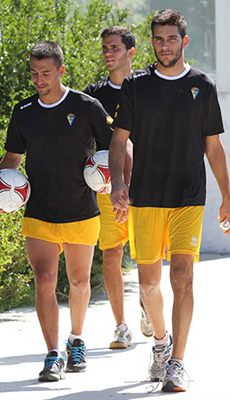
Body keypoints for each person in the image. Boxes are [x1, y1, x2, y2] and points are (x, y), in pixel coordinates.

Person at [109, 9, 230, 392]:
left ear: (184, 41)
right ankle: (161, 343)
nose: (165, 46)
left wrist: (227, 198)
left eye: (171, 39)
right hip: (145, 197)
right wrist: (118, 184)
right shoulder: (136, 85)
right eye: (158, 39)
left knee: (182, 276)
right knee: (149, 286)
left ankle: (177, 361)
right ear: (152, 43)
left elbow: (214, 147)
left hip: (188, 196)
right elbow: (118, 141)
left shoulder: (203, 86)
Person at [0, 41, 113, 381]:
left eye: (45, 73)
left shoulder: (86, 107)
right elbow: (12, 159)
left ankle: (77, 339)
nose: (39, 80)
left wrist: (118, 185)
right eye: (34, 73)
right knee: (44, 280)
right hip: (39, 210)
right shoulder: (24, 111)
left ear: (60, 70)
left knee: (79, 281)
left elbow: (114, 145)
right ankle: (53, 353)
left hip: (82, 210)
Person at [84, 26, 155, 349]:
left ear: (131, 52)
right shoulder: (93, 94)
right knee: (111, 254)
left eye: (114, 47)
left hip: (145, 188)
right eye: (104, 48)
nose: (108, 53)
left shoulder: (146, 88)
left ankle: (148, 307)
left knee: (145, 258)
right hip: (106, 189)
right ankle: (121, 326)